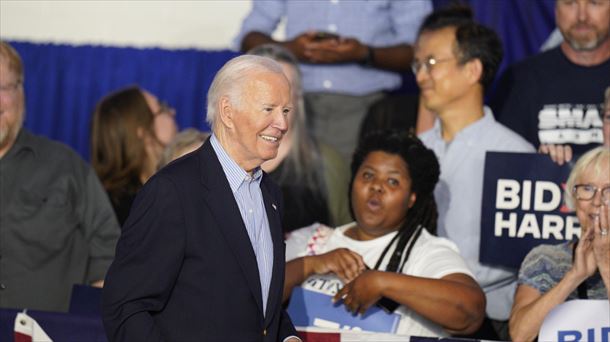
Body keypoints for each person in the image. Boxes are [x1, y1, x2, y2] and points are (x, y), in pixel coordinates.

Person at [101, 55, 299, 342]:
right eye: (269, 109)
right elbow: (125, 307)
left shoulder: (271, 194)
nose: (281, 123)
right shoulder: (172, 191)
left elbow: (257, 303)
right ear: (228, 112)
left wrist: (288, 338)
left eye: (286, 110)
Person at [283, 130, 485, 337]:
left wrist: (382, 283)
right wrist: (310, 264)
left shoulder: (426, 251)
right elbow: (256, 297)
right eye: (368, 175)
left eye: (393, 182)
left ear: (411, 199)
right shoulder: (313, 240)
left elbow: (470, 312)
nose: (377, 186)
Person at [414, 7, 535, 339]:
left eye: (432, 63)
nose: (421, 75)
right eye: (418, 65)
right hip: (414, 314)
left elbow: (524, 258)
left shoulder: (517, 156)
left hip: (489, 322)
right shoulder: (412, 152)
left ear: (472, 70)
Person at [0, 41, 120, 312]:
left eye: (2, 88)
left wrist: (83, 328)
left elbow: (110, 254)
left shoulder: (66, 167)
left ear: (20, 92)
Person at [234, 0, 433, 162]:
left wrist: (364, 54)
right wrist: (290, 49)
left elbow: (421, 49)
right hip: (295, 105)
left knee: (350, 197)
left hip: (366, 107)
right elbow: (249, 36)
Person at [509, 146, 609, 341]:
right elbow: (520, 335)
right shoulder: (545, 258)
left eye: (609, 190)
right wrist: (574, 276)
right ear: (572, 197)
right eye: (587, 188)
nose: (597, 201)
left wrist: (605, 265)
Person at [248, 44, 351, 232]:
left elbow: (348, 238)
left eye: (283, 88)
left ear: (298, 98)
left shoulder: (326, 164)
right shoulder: (215, 163)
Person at [492, 0, 610, 157]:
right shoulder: (520, 79)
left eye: (594, 3)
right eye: (570, 3)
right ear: (556, 10)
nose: (582, 16)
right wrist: (538, 166)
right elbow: (505, 163)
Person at [91, 86, 178, 226]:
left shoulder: (103, 202)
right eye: (162, 108)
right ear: (142, 132)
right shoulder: (134, 210)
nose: (172, 112)